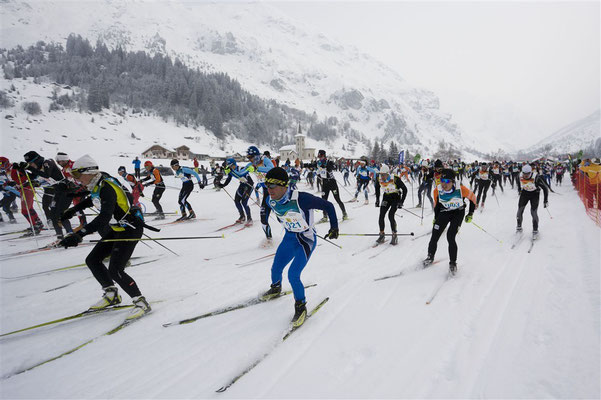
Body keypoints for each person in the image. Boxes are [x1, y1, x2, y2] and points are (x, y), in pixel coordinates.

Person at [58, 154, 151, 320]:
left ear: (90, 172)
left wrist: (79, 235)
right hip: (118, 229)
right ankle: (111, 294)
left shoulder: (106, 186)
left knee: (115, 270)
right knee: (92, 260)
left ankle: (141, 302)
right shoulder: (99, 183)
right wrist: (73, 210)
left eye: (78, 175)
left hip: (130, 229)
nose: (77, 179)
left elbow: (103, 218)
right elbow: (93, 199)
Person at [260, 167, 339, 327]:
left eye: (273, 186)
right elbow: (266, 207)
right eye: (266, 186)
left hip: (306, 240)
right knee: (276, 268)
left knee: (293, 274)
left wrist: (334, 227)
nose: (269, 189)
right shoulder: (270, 198)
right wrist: (264, 219)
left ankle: (301, 307)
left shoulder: (302, 199)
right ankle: (276, 288)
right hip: (289, 238)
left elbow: (329, 206)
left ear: (284, 185)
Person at [424, 169, 477, 274]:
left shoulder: (461, 189)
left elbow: (473, 199)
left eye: (447, 181)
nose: (444, 184)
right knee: (435, 235)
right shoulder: (437, 191)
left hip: (457, 213)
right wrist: (436, 217)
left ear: (453, 181)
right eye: (442, 180)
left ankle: (453, 263)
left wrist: (470, 214)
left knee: (450, 236)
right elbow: (437, 205)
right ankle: (430, 257)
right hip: (444, 212)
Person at [23, 151, 73, 240]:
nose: (31, 165)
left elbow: (46, 174)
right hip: (58, 192)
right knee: (53, 215)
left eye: (31, 163)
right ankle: (60, 238)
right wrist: (21, 169)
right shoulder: (39, 167)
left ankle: (71, 234)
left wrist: (29, 167)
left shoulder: (48, 162)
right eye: (29, 163)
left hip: (66, 191)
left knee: (60, 214)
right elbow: (32, 176)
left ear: (37, 160)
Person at [245, 146, 274, 243]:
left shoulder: (264, 160)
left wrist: (257, 168)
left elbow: (271, 169)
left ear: (256, 156)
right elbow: (241, 172)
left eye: (251, 157)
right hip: (266, 193)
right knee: (263, 218)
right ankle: (269, 239)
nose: (250, 160)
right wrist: (231, 172)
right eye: (248, 158)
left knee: (282, 218)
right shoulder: (252, 164)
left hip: (276, 192)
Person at [375, 164, 407, 245]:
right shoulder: (378, 179)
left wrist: (401, 202)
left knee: (390, 215)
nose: (382, 177)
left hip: (395, 197)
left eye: (384, 175)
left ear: (387, 174)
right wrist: (377, 200)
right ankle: (382, 234)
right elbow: (377, 189)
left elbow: (405, 189)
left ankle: (394, 234)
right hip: (386, 197)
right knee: (381, 215)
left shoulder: (395, 179)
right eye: (381, 174)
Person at [217, 157, 254, 225]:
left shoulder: (241, 168)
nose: (230, 167)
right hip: (242, 185)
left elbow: (242, 175)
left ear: (234, 164)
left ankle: (249, 218)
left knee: (244, 202)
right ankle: (242, 216)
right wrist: (223, 185)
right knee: (236, 200)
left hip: (249, 185)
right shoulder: (231, 170)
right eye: (228, 166)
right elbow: (229, 178)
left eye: (230, 166)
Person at [315, 149, 348, 222]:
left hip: (332, 183)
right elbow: (317, 172)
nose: (320, 158)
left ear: (324, 156)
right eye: (319, 157)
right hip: (325, 183)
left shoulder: (329, 162)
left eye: (321, 156)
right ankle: (325, 216)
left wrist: (328, 167)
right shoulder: (318, 163)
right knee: (323, 200)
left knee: (337, 199)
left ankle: (344, 213)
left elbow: (334, 167)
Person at [516, 164, 549, 236]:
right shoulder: (519, 175)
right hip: (524, 193)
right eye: (524, 174)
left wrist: (545, 200)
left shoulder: (536, 177)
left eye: (528, 174)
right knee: (519, 211)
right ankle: (519, 227)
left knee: (533, 212)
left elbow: (545, 188)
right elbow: (518, 182)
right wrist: (519, 189)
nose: (526, 176)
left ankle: (535, 230)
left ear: (531, 172)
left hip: (535, 194)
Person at [0, 157, 18, 224]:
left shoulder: (11, 168)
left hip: (11, 191)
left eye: (1, 163)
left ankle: (3, 220)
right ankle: (12, 219)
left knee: (5, 206)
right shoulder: (3, 171)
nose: (0, 165)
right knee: (5, 207)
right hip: (8, 193)